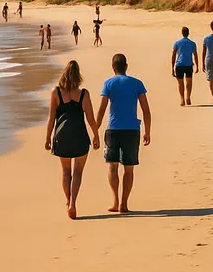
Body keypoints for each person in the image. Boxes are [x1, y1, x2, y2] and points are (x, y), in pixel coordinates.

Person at [44, 60, 102, 220]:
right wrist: (96, 135)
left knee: (65, 171)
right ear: (78, 76)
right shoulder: (83, 94)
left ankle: (67, 200)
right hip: (80, 135)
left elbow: (51, 119)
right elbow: (90, 118)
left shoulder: (55, 93)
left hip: (62, 136)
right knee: (77, 172)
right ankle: (73, 203)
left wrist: (48, 138)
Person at [96, 53, 151, 213]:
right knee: (129, 169)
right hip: (132, 130)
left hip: (113, 130)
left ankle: (115, 201)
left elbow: (102, 108)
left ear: (113, 67)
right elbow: (146, 110)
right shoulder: (137, 83)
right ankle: (124, 204)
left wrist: (95, 129)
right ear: (126, 66)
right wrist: (147, 131)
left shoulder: (108, 84)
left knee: (112, 167)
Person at [171, 27, 199, 106]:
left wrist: (172, 68)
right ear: (188, 33)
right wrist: (197, 66)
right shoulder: (192, 43)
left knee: (180, 83)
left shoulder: (177, 43)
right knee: (189, 82)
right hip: (189, 64)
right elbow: (195, 54)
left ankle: (182, 99)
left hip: (179, 65)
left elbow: (173, 55)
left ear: (182, 33)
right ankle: (188, 97)